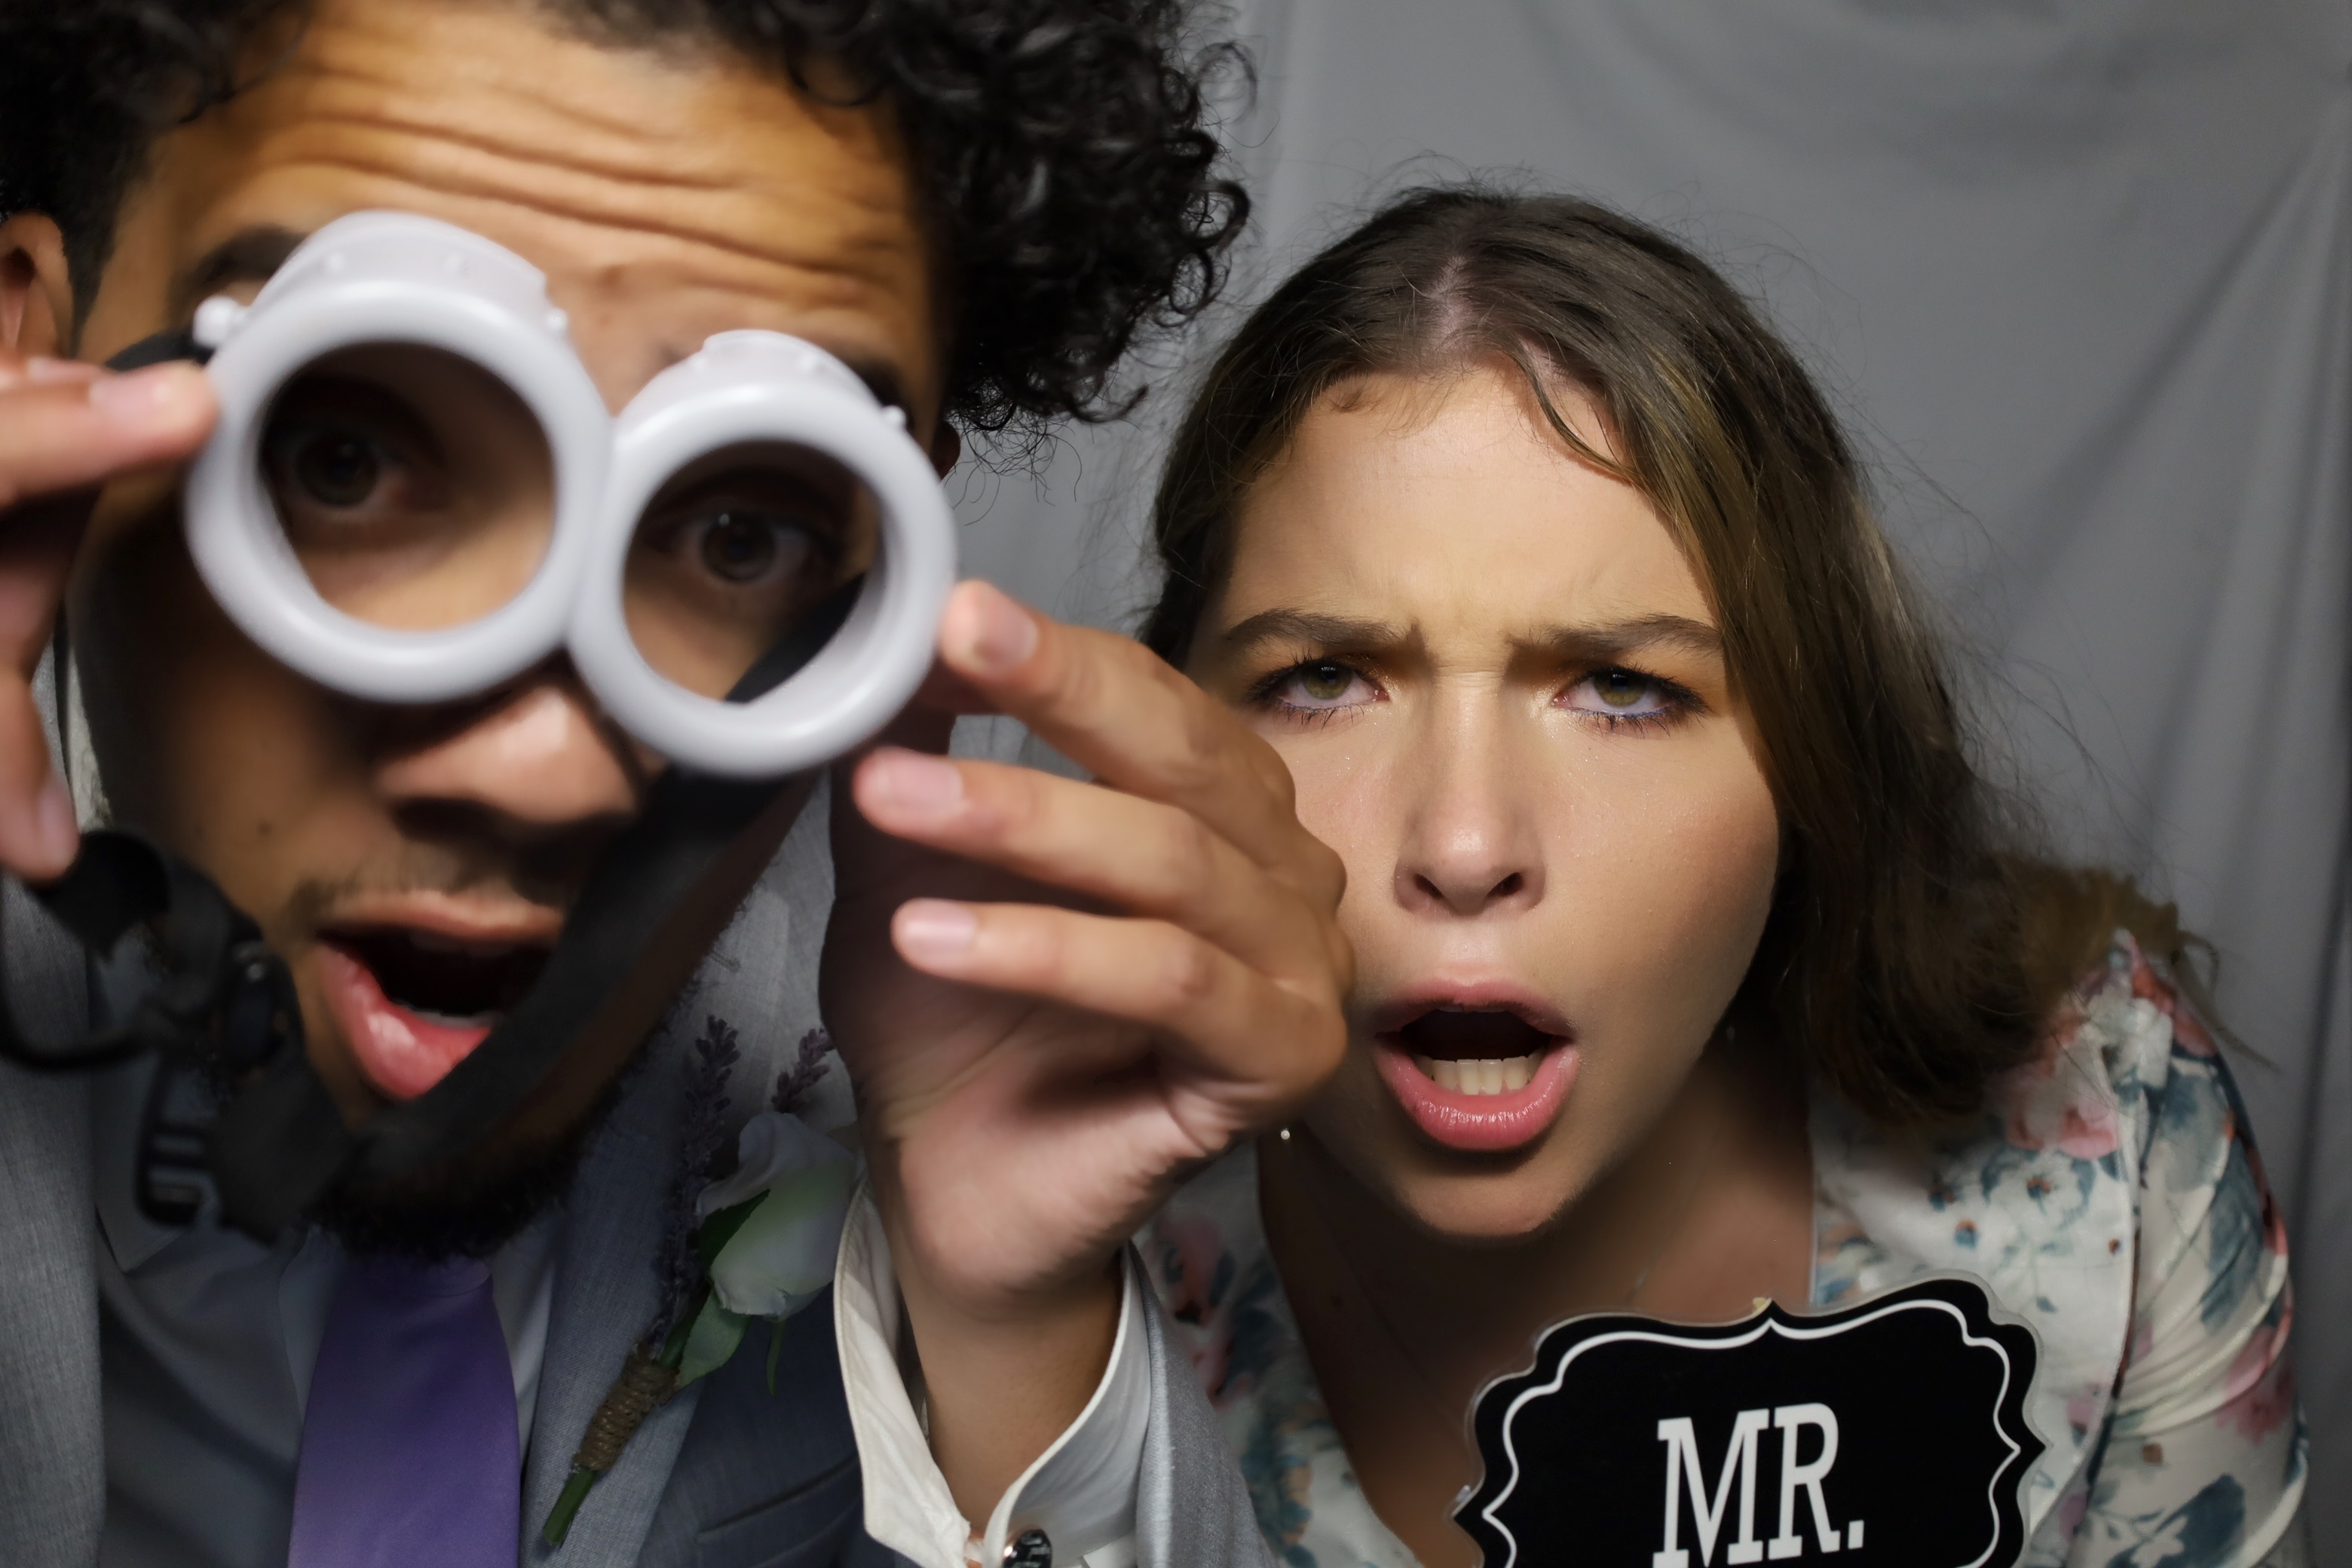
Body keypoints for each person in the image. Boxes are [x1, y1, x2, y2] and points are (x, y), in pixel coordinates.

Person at [0, 4, 1351, 1566]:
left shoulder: (911, 1011)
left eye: (739, 530)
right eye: (341, 456)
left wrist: (1013, 1317)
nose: (545, 769)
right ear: (34, 353)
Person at [1132, 187, 2309, 1567]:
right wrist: (1010, 1336)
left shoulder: (2100, 1110)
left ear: (1815, 758)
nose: (1463, 845)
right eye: (1326, 678)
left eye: (1622, 687)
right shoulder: (1057, 1214)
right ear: (1169, 736)